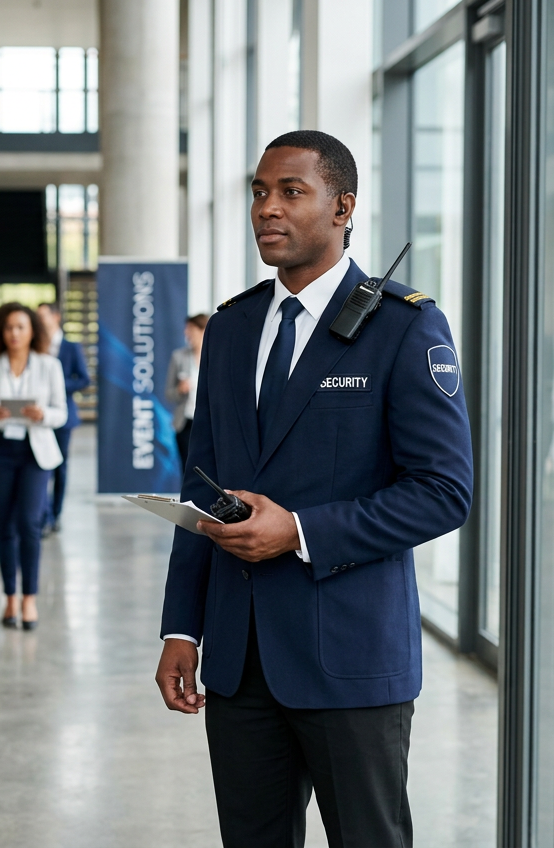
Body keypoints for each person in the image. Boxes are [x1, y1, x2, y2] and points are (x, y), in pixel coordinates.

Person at [154, 131, 473, 847]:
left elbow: (444, 490)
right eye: (260, 192)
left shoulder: (404, 326)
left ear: (342, 207)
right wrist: (182, 627)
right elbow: (202, 484)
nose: (268, 208)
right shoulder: (232, 329)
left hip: (350, 659)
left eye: (291, 192)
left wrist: (299, 531)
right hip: (239, 662)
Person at [0, 303, 67, 630]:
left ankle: (30, 598)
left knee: (29, 523)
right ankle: (10, 595)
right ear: (0, 331)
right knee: (4, 525)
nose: (14, 333)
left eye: (21, 327)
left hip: (34, 452)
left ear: (32, 332)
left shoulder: (48, 365)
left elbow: (61, 413)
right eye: (9, 327)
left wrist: (43, 416)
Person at [36, 302, 90, 533]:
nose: (39, 321)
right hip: (38, 416)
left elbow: (84, 379)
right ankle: (43, 513)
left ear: (56, 317)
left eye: (43, 316)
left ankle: (54, 515)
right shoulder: (35, 346)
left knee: (59, 467)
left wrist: (58, 386)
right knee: (40, 465)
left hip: (63, 415)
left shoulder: (70, 346)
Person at [164, 313, 207, 469]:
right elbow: (169, 393)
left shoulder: (217, 356)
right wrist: (180, 390)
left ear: (203, 330)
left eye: (191, 329)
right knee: (188, 468)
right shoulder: (178, 357)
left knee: (208, 468)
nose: (186, 333)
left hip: (209, 423)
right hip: (186, 423)